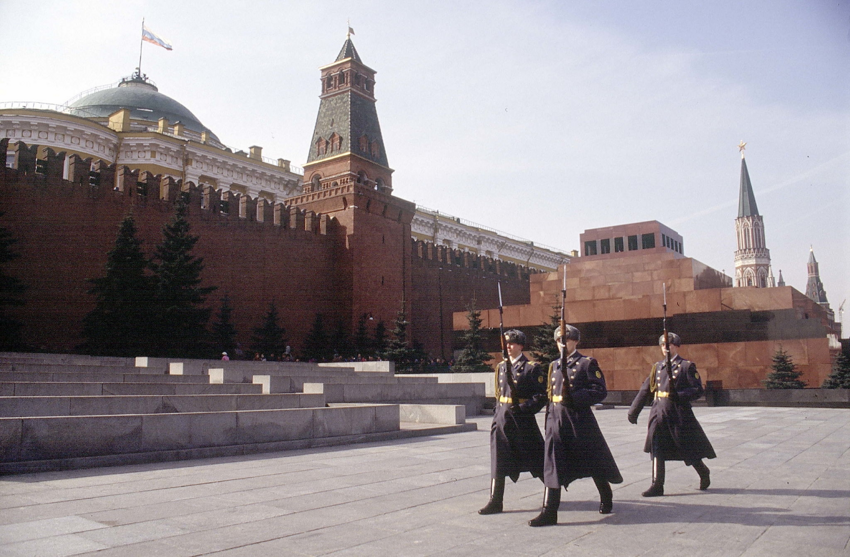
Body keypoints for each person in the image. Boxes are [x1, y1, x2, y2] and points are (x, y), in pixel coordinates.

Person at [529, 325, 623, 527]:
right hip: (556, 420)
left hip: (578, 421)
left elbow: (599, 391)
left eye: (566, 340)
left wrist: (574, 397)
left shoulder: (586, 363)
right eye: (558, 341)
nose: (562, 344)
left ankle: (605, 494)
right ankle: (549, 511)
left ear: (575, 341)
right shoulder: (554, 365)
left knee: (592, 461)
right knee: (552, 465)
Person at [628, 332, 716, 496]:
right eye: (662, 345)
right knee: (656, 448)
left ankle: (703, 471)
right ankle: (657, 485)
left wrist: (680, 395)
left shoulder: (686, 366)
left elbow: (698, 390)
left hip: (678, 413)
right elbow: (645, 389)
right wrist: (634, 411)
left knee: (687, 447)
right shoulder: (657, 367)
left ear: (676, 346)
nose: (665, 348)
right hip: (658, 412)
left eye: (668, 345)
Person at [479, 329, 548, 515]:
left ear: (521, 346)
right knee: (498, 461)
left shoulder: (531, 368)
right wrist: (497, 414)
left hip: (522, 422)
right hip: (502, 421)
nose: (508, 347)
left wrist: (525, 409)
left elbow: (541, 395)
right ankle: (495, 501)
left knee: (537, 459)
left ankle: (552, 493)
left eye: (512, 343)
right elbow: (500, 394)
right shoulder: (502, 367)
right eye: (506, 344)